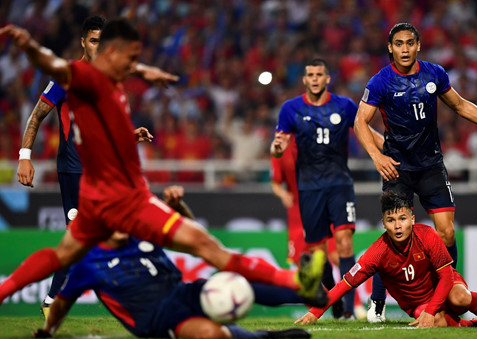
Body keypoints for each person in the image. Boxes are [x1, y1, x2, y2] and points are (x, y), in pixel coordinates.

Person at [0, 20, 325, 309]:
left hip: (102, 198)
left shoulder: (114, 83)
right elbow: (53, 66)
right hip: (120, 197)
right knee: (202, 244)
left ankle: (297, 283)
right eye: (131, 57)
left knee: (66, 253)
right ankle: (294, 282)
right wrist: (28, 45)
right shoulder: (81, 77)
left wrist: (141, 82)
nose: (134, 64)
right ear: (108, 50)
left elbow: (105, 128)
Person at [353, 23, 477, 320]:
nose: (405, 49)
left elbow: (461, 106)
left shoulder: (434, 73)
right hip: (397, 167)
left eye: (410, 43)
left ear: (418, 45)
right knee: (397, 234)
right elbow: (360, 122)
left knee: (447, 231)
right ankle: (377, 301)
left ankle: (449, 291)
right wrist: (376, 156)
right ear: (390, 48)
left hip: (431, 165)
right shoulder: (380, 82)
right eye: (399, 44)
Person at [33, 186, 315, 339]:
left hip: (183, 293)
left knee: (237, 284)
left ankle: (308, 293)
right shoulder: (89, 263)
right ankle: (265, 337)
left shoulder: (140, 235)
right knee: (209, 334)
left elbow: (191, 233)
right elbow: (62, 302)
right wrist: (49, 330)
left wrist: (177, 207)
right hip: (156, 321)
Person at [295, 191, 477, 329]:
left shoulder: (428, 236)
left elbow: (446, 276)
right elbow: (345, 284)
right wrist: (316, 313)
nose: (398, 226)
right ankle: (476, 326)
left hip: (443, 289)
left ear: (412, 218)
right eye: (391, 221)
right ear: (383, 224)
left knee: (461, 298)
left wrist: (433, 308)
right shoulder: (377, 252)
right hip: (415, 303)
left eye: (402, 218)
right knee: (432, 321)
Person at [270, 58, 383, 319]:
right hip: (308, 188)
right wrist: (276, 147)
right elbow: (279, 145)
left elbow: (363, 129)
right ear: (305, 79)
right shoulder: (291, 109)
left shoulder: (343, 105)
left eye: (319, 74)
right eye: (310, 75)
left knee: (344, 243)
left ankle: (349, 310)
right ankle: (336, 299)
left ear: (327, 78)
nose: (314, 79)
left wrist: (386, 145)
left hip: (340, 184)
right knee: (317, 252)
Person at [16, 16, 106, 315]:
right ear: (83, 42)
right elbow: (37, 115)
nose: (99, 47)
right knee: (82, 240)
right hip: (74, 170)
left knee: (88, 241)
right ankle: (50, 300)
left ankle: (52, 300)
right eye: (94, 41)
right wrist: (25, 157)